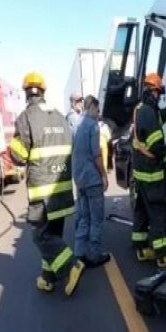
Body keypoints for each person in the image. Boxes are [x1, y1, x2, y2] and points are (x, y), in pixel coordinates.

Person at [9, 71, 85, 297]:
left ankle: (71, 265)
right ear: (43, 92)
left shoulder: (26, 117)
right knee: (54, 236)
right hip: (61, 189)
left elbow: (20, 155)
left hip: (42, 192)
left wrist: (12, 149)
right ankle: (47, 278)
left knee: (41, 236)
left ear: (26, 92)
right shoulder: (60, 117)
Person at [131, 72, 166, 268]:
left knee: (142, 209)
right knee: (158, 211)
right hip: (151, 173)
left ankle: (141, 248)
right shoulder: (147, 112)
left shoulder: (142, 109)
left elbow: (160, 116)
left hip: (141, 173)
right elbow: (156, 145)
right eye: (159, 94)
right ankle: (162, 255)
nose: (159, 97)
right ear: (153, 91)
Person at [72, 95, 111, 268]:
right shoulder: (92, 126)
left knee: (84, 218)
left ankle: (79, 254)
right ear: (93, 107)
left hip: (80, 179)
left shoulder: (77, 125)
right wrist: (104, 175)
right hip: (92, 180)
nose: (99, 112)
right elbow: (96, 155)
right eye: (98, 109)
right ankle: (94, 255)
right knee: (96, 219)